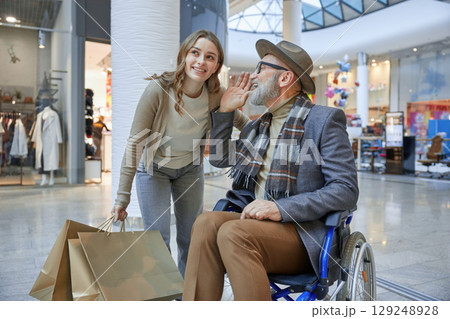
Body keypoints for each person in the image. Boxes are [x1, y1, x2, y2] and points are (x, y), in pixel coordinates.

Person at [182, 39, 359, 300]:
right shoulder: (258, 127)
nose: (253, 76)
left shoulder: (323, 120)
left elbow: (345, 190)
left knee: (233, 232)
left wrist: (280, 208)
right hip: (256, 226)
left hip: (302, 233)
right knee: (206, 222)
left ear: (285, 77)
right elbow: (219, 158)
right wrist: (226, 112)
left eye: (260, 68)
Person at [112, 30, 248, 277]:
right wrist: (122, 197)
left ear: (217, 65)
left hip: (190, 170)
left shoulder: (217, 93)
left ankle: (186, 296)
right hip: (154, 170)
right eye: (195, 52)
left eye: (210, 57)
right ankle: (164, 297)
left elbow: (241, 121)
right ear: (184, 55)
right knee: (158, 238)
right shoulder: (159, 90)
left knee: (191, 237)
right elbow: (135, 144)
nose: (200, 61)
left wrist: (272, 132)